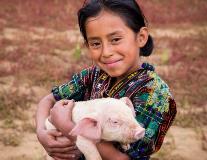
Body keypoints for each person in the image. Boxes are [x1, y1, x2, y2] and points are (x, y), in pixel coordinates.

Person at [36, 0, 177, 160]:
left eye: (115, 39)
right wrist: (41, 132)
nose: (106, 52)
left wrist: (68, 127)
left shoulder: (154, 94)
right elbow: (48, 100)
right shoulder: (93, 75)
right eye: (96, 43)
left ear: (141, 37)